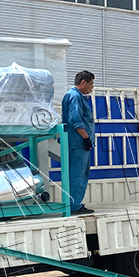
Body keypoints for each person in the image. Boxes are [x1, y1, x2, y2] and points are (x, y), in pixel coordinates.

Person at [62, 71, 96, 215]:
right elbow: (75, 119)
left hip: (76, 142)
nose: (92, 87)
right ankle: (74, 205)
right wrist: (86, 138)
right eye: (91, 84)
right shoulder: (75, 96)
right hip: (78, 143)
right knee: (78, 174)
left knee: (77, 173)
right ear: (83, 82)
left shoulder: (73, 95)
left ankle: (73, 203)